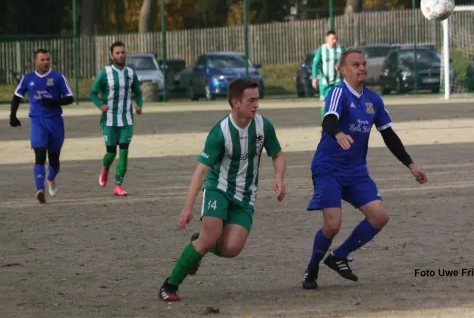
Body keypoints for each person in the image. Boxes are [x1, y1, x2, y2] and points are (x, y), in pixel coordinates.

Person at [302, 48, 428, 289]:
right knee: (333, 225)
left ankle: (339, 256)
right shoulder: (338, 92)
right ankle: (312, 268)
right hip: (328, 167)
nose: (361, 68)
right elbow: (328, 119)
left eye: (363, 64)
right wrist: (338, 133)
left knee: (380, 217)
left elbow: (389, 135)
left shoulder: (373, 99)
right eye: (355, 64)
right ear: (342, 69)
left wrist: (411, 165)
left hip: (356, 170)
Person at [158, 78, 287, 302]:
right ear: (235, 103)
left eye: (258, 99)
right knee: (210, 238)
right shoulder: (220, 132)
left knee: (231, 248)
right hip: (219, 188)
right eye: (252, 100)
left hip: (245, 196)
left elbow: (277, 155)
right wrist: (187, 208)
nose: (257, 105)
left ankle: (197, 244)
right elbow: (200, 172)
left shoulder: (263, 126)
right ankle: (169, 285)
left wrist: (279, 177)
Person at [9, 49, 74, 204]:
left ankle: (50, 178)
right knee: (39, 155)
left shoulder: (58, 77)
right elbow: (17, 97)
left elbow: (70, 98)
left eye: (48, 59)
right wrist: (12, 116)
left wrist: (54, 101)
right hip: (37, 120)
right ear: (35, 61)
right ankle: (40, 190)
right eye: (42, 59)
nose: (45, 62)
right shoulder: (28, 78)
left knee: (54, 160)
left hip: (55, 121)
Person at [89, 41, 143, 197]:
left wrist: (138, 106)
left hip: (126, 120)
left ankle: (118, 185)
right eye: (117, 53)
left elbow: (138, 92)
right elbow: (93, 93)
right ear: (111, 56)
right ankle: (105, 168)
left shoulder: (131, 73)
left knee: (124, 152)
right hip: (109, 120)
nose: (121, 55)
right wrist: (100, 105)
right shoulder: (105, 73)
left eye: (123, 52)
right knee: (111, 153)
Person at [311, 30, 345, 120]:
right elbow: (315, 64)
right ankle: (325, 124)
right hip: (324, 82)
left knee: (339, 102)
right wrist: (314, 78)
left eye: (335, 38)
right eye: (332, 38)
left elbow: (348, 62)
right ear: (327, 39)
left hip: (337, 81)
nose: (334, 40)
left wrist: (342, 67)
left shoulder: (341, 49)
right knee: (325, 103)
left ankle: (339, 123)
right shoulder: (321, 49)